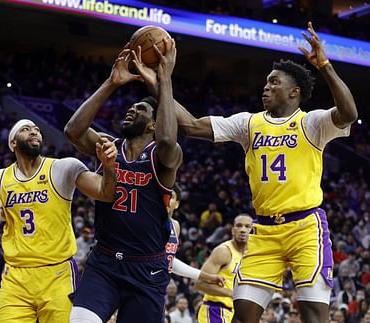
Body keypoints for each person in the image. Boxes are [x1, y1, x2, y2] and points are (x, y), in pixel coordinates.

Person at [132, 22, 358, 323]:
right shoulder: (248, 123)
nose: (266, 86)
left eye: (275, 82)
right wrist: (161, 84)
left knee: (314, 316)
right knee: (243, 316)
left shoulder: (312, 123)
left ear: (295, 92)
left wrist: (326, 66)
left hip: (305, 228)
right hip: (264, 231)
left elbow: (349, 114)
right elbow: (190, 125)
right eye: (266, 81)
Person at [0, 119, 118, 322]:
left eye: (37, 130)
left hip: (57, 274)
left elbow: (106, 194)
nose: (34, 132)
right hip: (16, 277)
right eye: (25, 129)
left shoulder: (63, 167)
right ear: (13, 142)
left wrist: (109, 167)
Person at [65, 38, 182, 323]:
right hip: (104, 262)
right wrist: (111, 83)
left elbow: (167, 138)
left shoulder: (163, 155)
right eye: (132, 106)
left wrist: (164, 79)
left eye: (141, 109)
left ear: (154, 124)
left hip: (146, 270)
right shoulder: (108, 146)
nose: (132, 109)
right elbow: (73, 130)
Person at [195, 214, 252, 322]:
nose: (243, 230)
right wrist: (230, 293)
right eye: (239, 226)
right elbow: (199, 283)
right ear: (232, 230)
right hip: (215, 310)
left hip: (234, 314)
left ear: (253, 231)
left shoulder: (251, 256)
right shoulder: (223, 251)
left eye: (247, 226)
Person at [167, 184, 225, 286]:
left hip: (159, 286)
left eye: (170, 197)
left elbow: (170, 261)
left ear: (177, 204)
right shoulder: (147, 222)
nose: (166, 200)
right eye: (163, 196)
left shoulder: (175, 225)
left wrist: (208, 277)